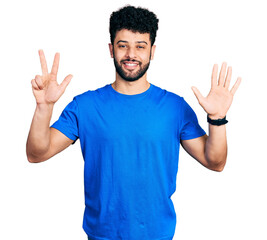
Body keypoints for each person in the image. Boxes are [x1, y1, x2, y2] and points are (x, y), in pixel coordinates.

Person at [26, 5, 241, 240]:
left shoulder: (175, 108)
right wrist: (44, 108)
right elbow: (37, 153)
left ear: (152, 51)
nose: (131, 54)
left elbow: (215, 162)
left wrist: (217, 119)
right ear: (111, 49)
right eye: (123, 45)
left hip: (157, 235)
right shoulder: (84, 106)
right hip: (101, 236)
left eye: (140, 46)